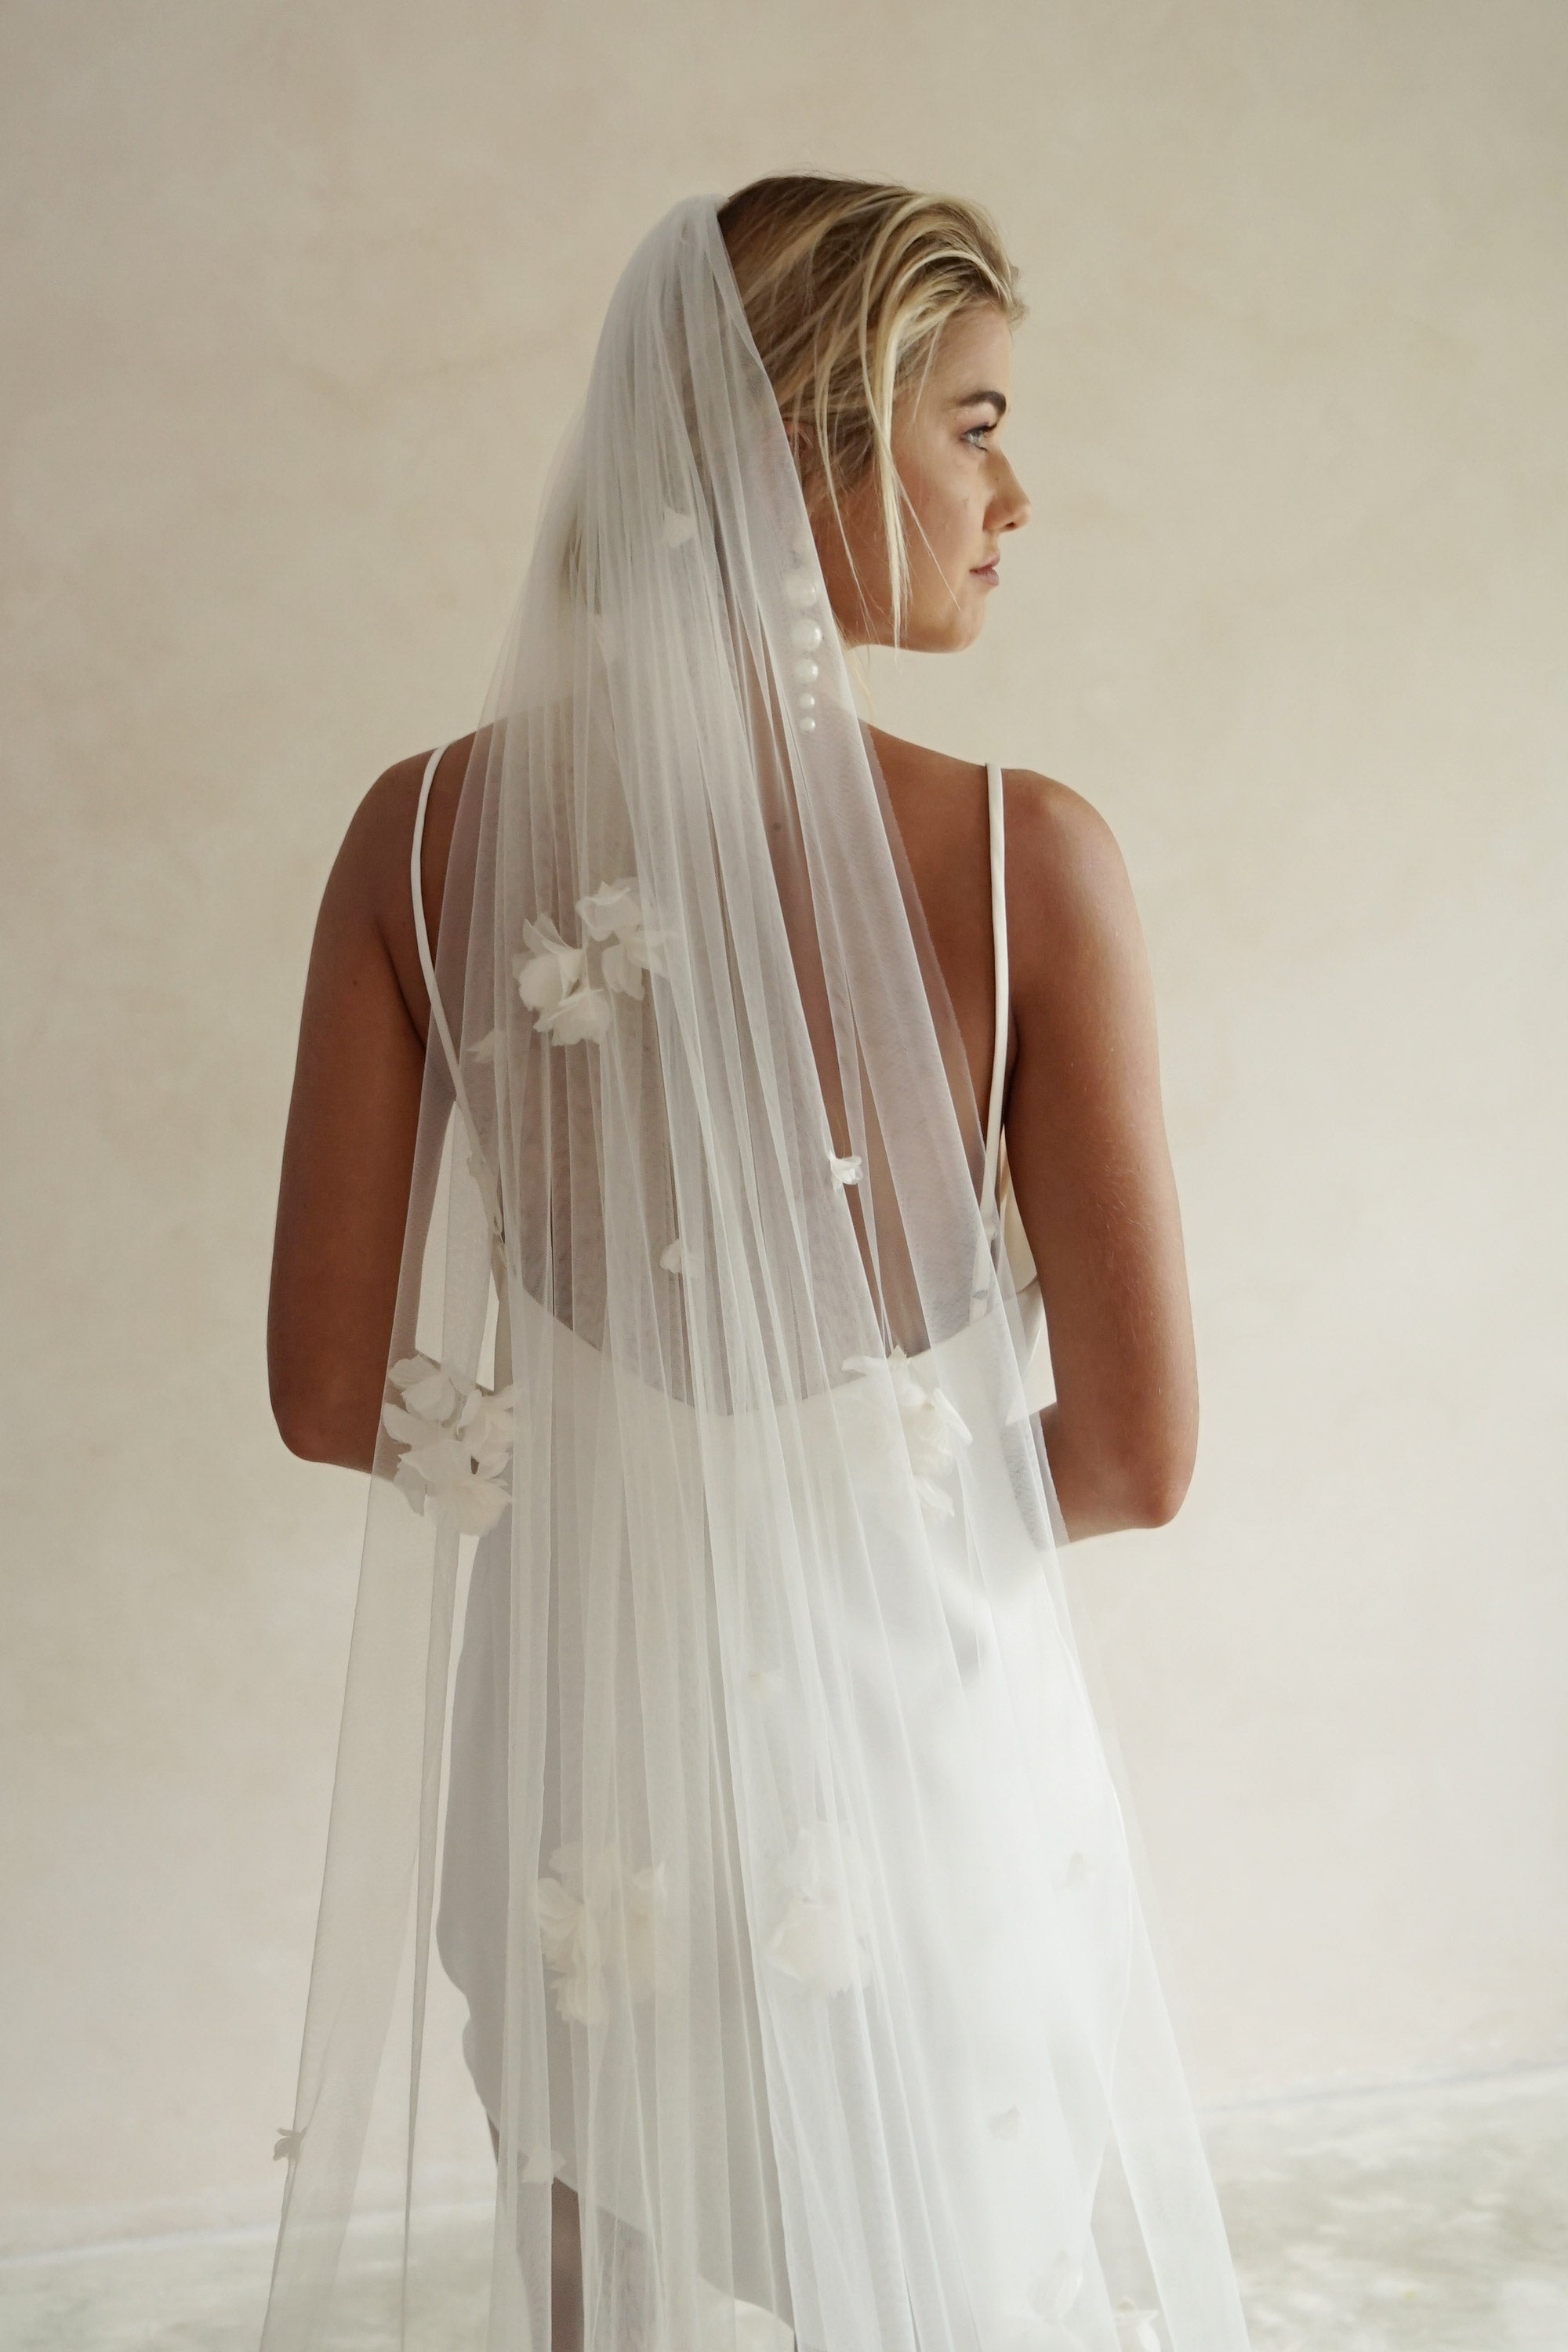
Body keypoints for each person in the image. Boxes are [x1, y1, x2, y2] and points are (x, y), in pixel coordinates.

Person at [263, 178, 1247, 2352]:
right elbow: (1142, 1458)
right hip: (911, 1768)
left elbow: (334, 1395)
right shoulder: (1021, 863)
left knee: (608, 2288)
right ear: (808, 444)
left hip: (576, 1784)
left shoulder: (418, 839)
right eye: (973, 426)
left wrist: (653, 1503)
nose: (1017, 495)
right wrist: (850, 1502)